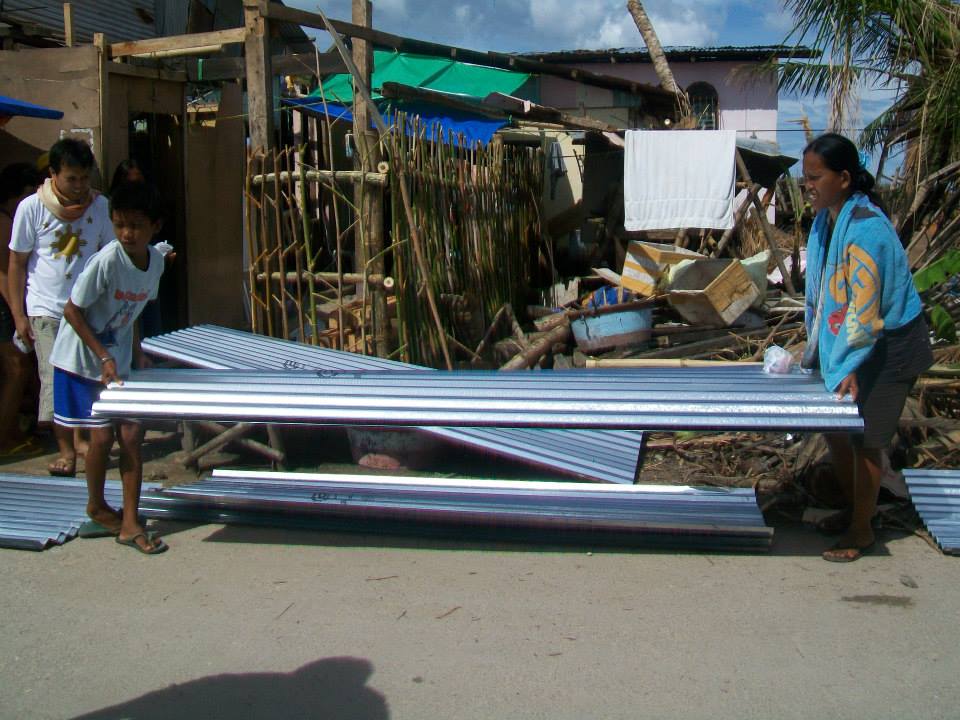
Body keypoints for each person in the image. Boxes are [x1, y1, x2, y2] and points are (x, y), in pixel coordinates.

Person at [801, 133, 933, 562]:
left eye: (815, 178)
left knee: (866, 438)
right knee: (836, 428)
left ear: (843, 178)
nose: (808, 186)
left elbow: (864, 307)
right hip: (860, 340)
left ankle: (862, 531)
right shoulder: (828, 221)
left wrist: (850, 364)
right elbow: (827, 293)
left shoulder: (866, 228)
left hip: (890, 344)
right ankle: (854, 510)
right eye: (805, 178)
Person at [50, 181, 167, 554]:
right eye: (119, 225)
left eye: (135, 225)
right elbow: (72, 311)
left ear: (155, 226)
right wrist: (103, 356)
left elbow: (132, 311)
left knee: (131, 434)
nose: (126, 233)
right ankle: (97, 507)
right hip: (82, 360)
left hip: (117, 362)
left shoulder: (156, 262)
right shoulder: (106, 261)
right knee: (100, 439)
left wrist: (137, 352)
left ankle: (130, 522)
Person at [7, 138, 113, 475]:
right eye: (72, 179)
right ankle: (66, 450)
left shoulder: (100, 207)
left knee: (85, 377)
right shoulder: (31, 208)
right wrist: (19, 315)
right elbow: (17, 263)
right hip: (46, 309)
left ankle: (82, 441)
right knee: (55, 379)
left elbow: (110, 259)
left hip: (87, 310)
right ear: (53, 174)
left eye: (84, 178)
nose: (79, 186)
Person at [0, 163, 43, 457]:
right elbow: (4, 273)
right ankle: (3, 437)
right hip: (4, 307)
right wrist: (17, 311)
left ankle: (12, 431)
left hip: (8, 306)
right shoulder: (5, 221)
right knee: (17, 369)